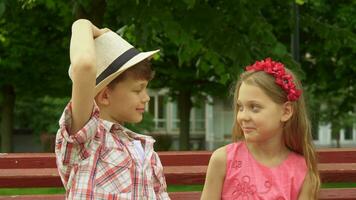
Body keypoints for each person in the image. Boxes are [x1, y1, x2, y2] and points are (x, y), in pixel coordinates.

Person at [55, 19, 170, 200]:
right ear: (105, 96)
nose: (146, 97)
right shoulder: (87, 139)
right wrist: (83, 24)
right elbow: (84, 66)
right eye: (137, 89)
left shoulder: (144, 148)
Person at [201, 58, 320, 200]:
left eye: (254, 108)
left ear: (286, 111)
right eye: (241, 107)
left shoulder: (302, 171)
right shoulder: (223, 160)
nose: (243, 116)